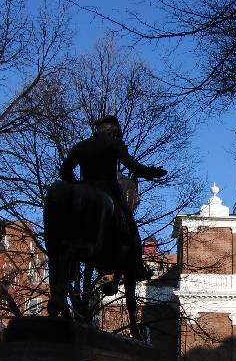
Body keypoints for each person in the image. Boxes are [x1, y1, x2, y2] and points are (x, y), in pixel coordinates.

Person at [60, 115, 166, 280]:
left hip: (84, 191)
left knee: (68, 228)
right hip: (108, 191)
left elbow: (64, 172)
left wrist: (78, 186)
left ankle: (69, 267)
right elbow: (132, 165)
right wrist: (150, 172)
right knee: (131, 226)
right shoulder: (114, 143)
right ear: (113, 130)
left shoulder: (80, 146)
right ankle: (137, 266)